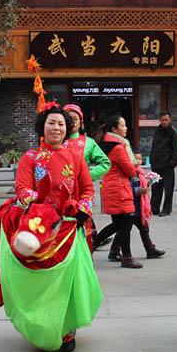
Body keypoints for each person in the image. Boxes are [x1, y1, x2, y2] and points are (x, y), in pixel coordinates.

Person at [0, 103, 101, 352]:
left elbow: (86, 188)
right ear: (42, 127)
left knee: (66, 283)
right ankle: (41, 327)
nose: (56, 127)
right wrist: (43, 205)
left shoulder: (75, 157)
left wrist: (82, 207)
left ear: (68, 128)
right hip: (39, 225)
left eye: (61, 123)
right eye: (52, 122)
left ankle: (66, 330)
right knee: (41, 283)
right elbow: (22, 188)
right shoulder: (29, 157)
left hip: (68, 227)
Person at [96, 114, 146, 268]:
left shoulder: (108, 144)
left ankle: (125, 256)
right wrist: (137, 169)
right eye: (123, 125)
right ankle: (125, 257)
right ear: (114, 129)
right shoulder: (118, 147)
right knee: (124, 223)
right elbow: (130, 171)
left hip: (113, 187)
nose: (126, 128)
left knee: (120, 224)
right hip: (119, 188)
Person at [99, 152, 165, 262]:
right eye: (136, 158)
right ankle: (113, 250)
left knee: (142, 228)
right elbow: (130, 190)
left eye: (140, 158)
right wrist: (141, 190)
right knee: (124, 229)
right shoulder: (129, 173)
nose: (138, 161)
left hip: (139, 207)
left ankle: (149, 249)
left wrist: (147, 184)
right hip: (130, 206)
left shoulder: (139, 172)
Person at [63, 103, 111, 246]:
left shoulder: (88, 143)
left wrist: (87, 176)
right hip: (60, 193)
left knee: (84, 225)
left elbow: (105, 163)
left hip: (81, 192)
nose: (72, 122)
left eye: (75, 118)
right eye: (68, 118)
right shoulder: (55, 142)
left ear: (81, 121)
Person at [150, 112, 177, 216]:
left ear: (170, 120)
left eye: (166, 120)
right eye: (162, 120)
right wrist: (151, 159)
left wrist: (172, 163)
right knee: (155, 188)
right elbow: (154, 145)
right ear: (160, 120)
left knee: (168, 189)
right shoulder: (157, 130)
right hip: (156, 164)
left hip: (168, 165)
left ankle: (166, 210)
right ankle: (154, 208)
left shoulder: (173, 132)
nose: (164, 122)